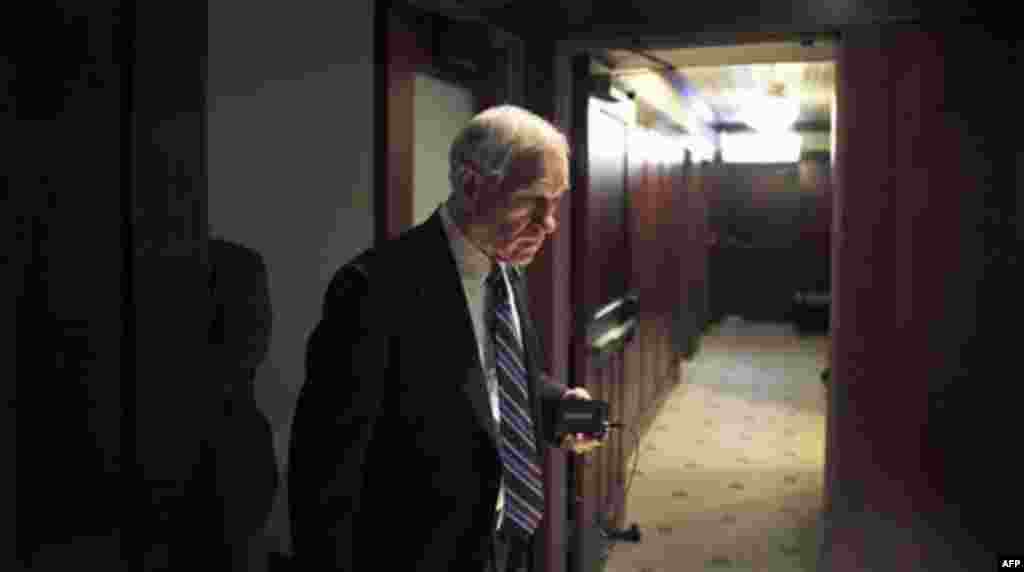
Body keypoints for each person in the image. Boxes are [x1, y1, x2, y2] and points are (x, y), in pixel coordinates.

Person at [288, 105, 603, 572]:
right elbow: (325, 475)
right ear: (472, 183)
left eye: (556, 201)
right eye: (533, 200)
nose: (549, 222)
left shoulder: (508, 271)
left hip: (503, 546)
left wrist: (559, 405)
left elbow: (492, 384)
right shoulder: (372, 290)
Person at [197, 236, 280, 570]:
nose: (261, 322)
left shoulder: (244, 415)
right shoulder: (223, 423)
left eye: (261, 305)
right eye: (243, 308)